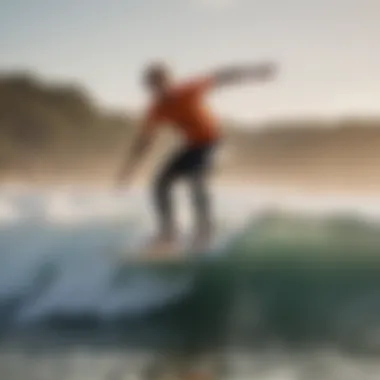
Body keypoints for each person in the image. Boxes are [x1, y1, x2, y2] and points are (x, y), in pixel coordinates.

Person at [116, 61, 277, 253]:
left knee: (195, 179)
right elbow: (144, 141)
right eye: (152, 85)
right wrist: (128, 170)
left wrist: (256, 71)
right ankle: (169, 234)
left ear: (168, 81)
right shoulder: (157, 109)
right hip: (191, 146)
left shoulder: (188, 90)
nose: (157, 89)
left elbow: (223, 76)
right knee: (160, 183)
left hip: (212, 143)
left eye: (160, 83)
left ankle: (204, 232)